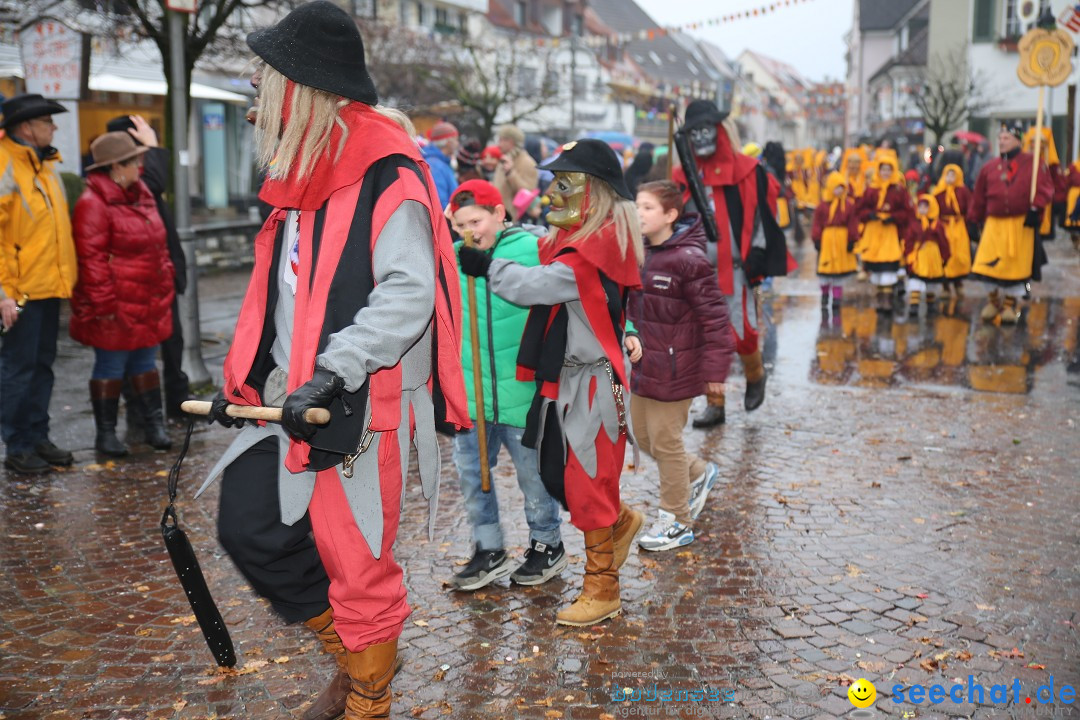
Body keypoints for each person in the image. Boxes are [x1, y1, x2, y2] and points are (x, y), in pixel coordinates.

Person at [195, 4, 469, 718]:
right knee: (250, 528)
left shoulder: (387, 171)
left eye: (264, 81)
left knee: (356, 563)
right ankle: (355, 658)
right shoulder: (302, 174)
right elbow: (282, 297)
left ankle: (367, 696)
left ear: (300, 88)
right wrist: (247, 378)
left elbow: (408, 296)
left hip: (354, 399)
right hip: (287, 396)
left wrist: (334, 367)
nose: (255, 98)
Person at [458, 138, 644, 627]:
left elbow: (535, 285)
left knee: (584, 483)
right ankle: (620, 521)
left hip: (590, 385)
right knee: (563, 474)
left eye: (566, 183)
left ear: (592, 191)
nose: (554, 193)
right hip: (566, 378)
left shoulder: (592, 250)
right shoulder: (580, 241)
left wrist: (486, 265)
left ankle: (603, 588)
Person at [446, 179, 565, 591]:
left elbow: (579, 289)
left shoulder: (533, 250)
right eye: (460, 223)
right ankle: (488, 548)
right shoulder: (453, 256)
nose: (469, 231)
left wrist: (630, 329)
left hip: (521, 391)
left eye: (476, 220)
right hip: (471, 394)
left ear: (500, 213)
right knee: (472, 474)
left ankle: (546, 544)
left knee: (533, 475)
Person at [672, 100, 791, 428]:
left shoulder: (748, 171)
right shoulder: (683, 175)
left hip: (736, 269)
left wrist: (757, 253)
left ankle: (755, 375)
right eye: (693, 132)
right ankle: (715, 403)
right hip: (697, 270)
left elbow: (760, 214)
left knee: (742, 335)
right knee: (708, 339)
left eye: (705, 130)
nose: (700, 137)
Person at [629, 180, 730, 551]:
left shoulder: (689, 260)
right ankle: (701, 472)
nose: (639, 214)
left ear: (671, 215)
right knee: (642, 437)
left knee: (666, 442)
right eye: (637, 205)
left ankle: (676, 521)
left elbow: (716, 319)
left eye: (648, 208)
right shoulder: (639, 252)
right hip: (644, 366)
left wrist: (715, 373)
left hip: (677, 368)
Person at [70, 132, 175, 456]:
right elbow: (91, 259)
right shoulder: (92, 203)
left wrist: (166, 276)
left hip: (147, 298)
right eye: (134, 161)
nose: (140, 167)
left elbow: (160, 245)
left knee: (145, 361)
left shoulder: (141, 195)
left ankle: (153, 425)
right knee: (111, 365)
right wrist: (103, 304)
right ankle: (106, 434)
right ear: (116, 167)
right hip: (115, 302)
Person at [0, 93, 78, 474]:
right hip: (20, 291)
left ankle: (37, 436)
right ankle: (18, 446)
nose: (54, 126)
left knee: (43, 366)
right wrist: (4, 294)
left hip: (48, 286)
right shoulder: (5, 165)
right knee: (19, 368)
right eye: (48, 121)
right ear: (27, 127)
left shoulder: (44, 166)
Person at [106, 114, 191, 421]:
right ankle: (142, 410)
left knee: (172, 340)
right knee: (137, 348)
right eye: (139, 149)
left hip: (160, 274)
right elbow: (154, 184)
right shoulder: (122, 183)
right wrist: (154, 146)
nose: (143, 156)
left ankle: (174, 402)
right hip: (137, 279)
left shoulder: (138, 179)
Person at [968, 121, 1054, 324]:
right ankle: (993, 301)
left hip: (1019, 224)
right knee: (986, 265)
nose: (1001, 141)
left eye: (1006, 138)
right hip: (994, 224)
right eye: (999, 138)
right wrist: (973, 219)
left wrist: (1036, 208)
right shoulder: (989, 167)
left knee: (1014, 268)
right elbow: (979, 196)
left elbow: (1046, 188)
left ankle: (1009, 304)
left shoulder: (1033, 163)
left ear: (1018, 140)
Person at [855, 154, 913, 313]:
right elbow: (860, 209)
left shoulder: (898, 190)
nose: (886, 173)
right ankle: (880, 297)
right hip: (874, 231)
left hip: (890, 231)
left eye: (889, 170)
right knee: (876, 266)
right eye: (883, 170)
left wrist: (894, 218)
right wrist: (870, 215)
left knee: (888, 264)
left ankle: (887, 299)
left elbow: (907, 212)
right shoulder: (871, 189)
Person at [810, 172, 858, 309]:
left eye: (842, 187)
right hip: (827, 240)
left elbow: (852, 223)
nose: (839, 191)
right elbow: (817, 224)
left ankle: (837, 298)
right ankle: (824, 296)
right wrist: (816, 239)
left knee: (839, 273)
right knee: (825, 270)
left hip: (842, 241)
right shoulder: (823, 206)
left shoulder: (848, 205)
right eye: (836, 187)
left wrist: (852, 240)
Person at [903, 194, 950, 316]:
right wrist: (908, 254)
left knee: (932, 281)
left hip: (933, 255)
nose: (923, 209)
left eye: (926, 207)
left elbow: (943, 241)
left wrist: (945, 256)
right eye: (920, 206)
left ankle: (931, 303)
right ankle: (914, 304)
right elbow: (909, 239)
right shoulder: (914, 224)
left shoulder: (937, 225)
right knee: (915, 279)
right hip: (919, 255)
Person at [932, 164, 972, 300]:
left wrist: (966, 221)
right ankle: (945, 285)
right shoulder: (939, 191)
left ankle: (958, 282)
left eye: (953, 175)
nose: (950, 178)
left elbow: (969, 207)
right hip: (944, 226)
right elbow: (933, 207)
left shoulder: (963, 191)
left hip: (958, 227)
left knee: (959, 254)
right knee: (944, 253)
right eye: (948, 175)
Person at [492, 124, 539, 212]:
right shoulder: (505, 158)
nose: (499, 144)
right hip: (500, 212)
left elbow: (529, 192)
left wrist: (511, 173)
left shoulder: (527, 162)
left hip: (514, 216)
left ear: (511, 141)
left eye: (502, 140)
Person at [421, 120, 459, 209]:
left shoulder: (441, 162)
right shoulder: (435, 165)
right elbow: (440, 203)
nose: (458, 144)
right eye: (456, 140)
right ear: (449, 142)